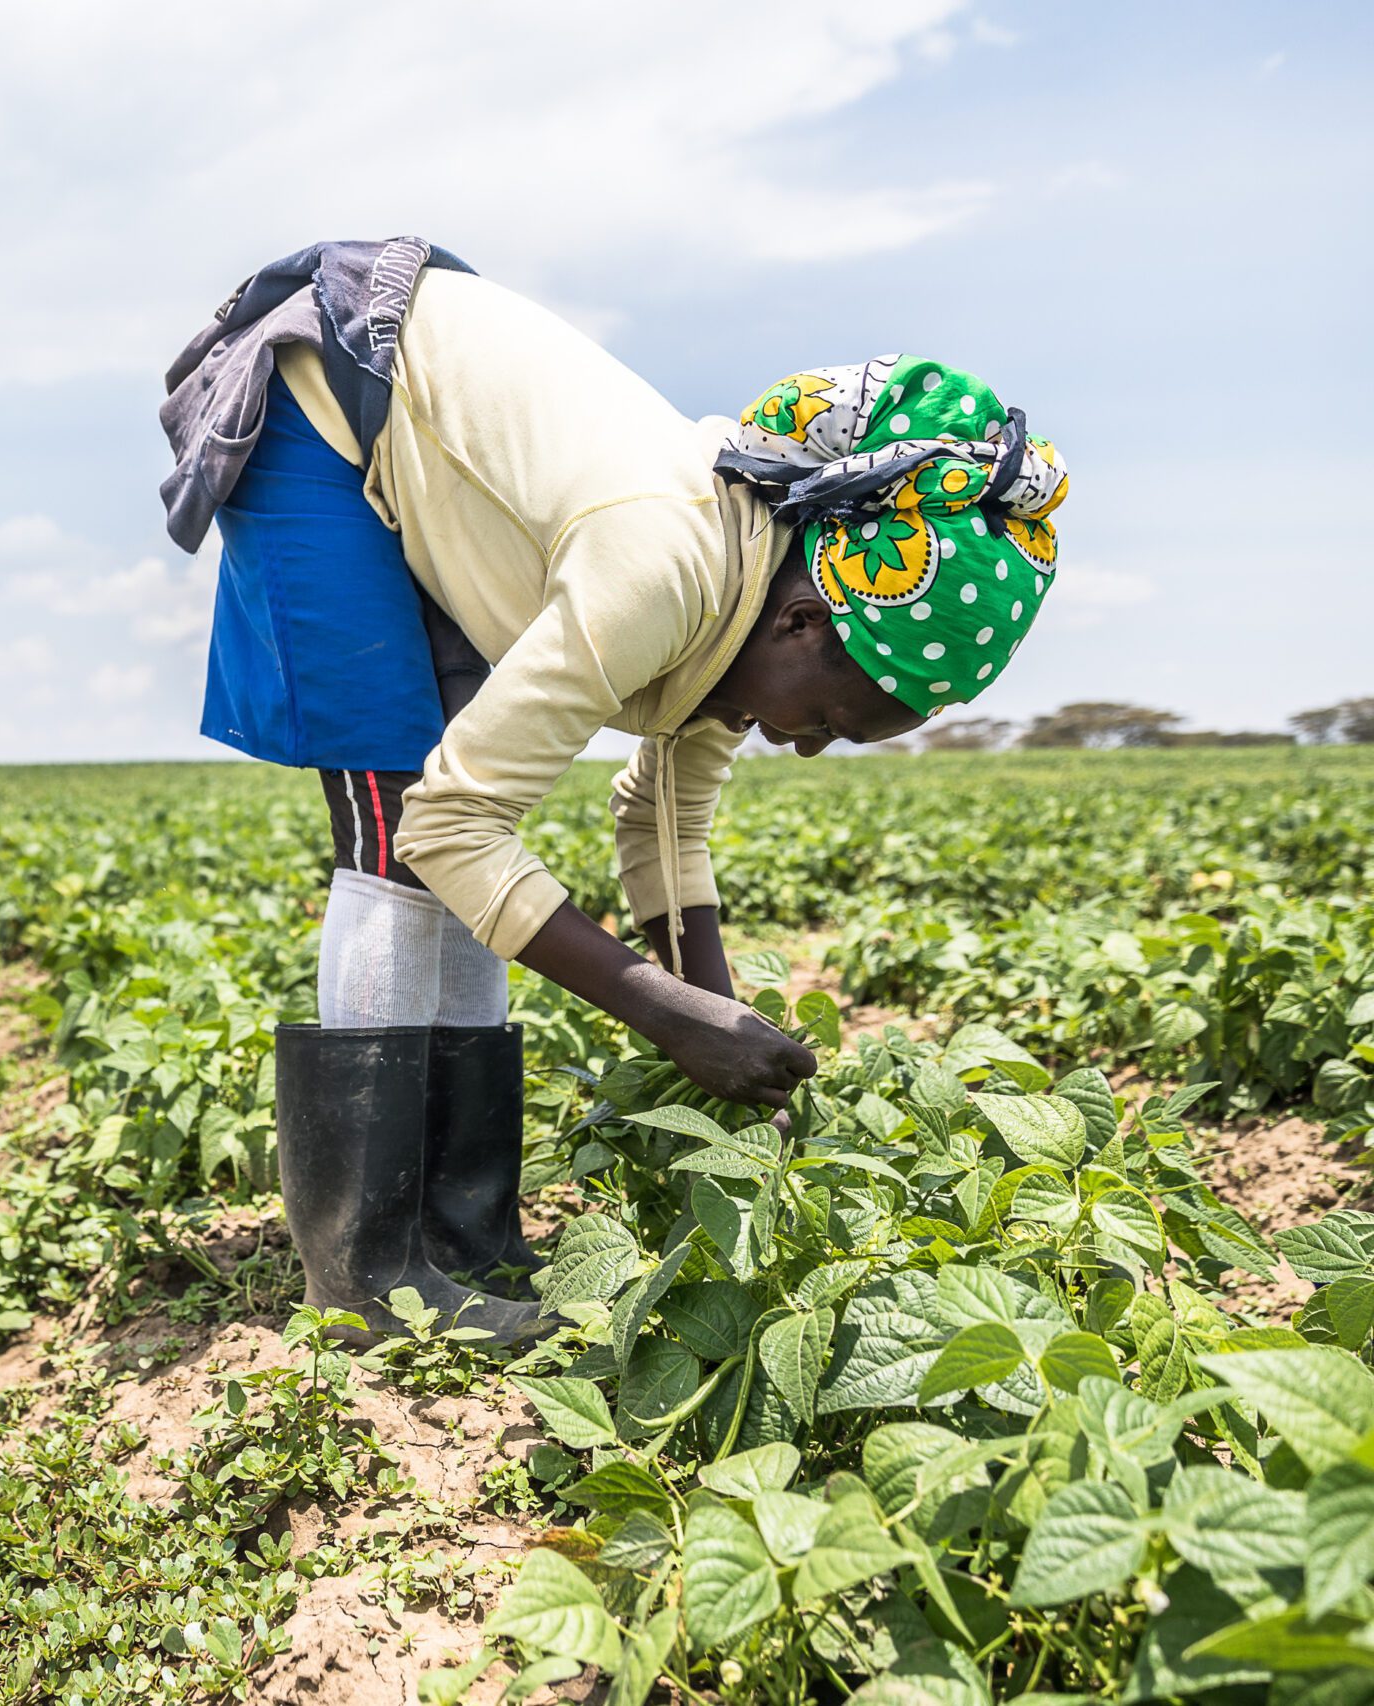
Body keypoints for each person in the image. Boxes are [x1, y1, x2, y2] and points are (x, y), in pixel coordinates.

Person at [159, 240, 1068, 1344]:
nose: (813, 746)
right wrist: (662, 1011)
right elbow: (452, 822)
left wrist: (726, 1035)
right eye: (830, 715)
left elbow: (663, 821)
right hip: (332, 407)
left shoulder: (752, 607)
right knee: (399, 825)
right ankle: (367, 1270)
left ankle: (465, 1232)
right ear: (800, 620)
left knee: (446, 820)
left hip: (429, 449)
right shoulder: (667, 564)